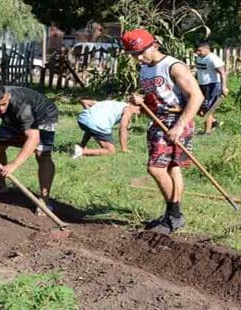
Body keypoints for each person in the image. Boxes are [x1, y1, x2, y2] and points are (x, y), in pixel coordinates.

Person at [121, 28, 204, 233]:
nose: (139, 58)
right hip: (158, 121)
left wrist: (180, 126)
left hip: (176, 120)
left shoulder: (173, 66)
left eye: (141, 52)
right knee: (172, 168)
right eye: (133, 55)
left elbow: (197, 96)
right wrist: (139, 102)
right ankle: (172, 216)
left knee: (156, 168)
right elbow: (155, 99)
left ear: (155, 45)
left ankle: (174, 216)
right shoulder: (145, 69)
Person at [0, 84, 59, 214]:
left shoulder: (21, 105)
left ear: (8, 96)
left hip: (43, 115)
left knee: (42, 154)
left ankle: (44, 200)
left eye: (4, 104)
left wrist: (14, 164)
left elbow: (33, 138)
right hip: (13, 117)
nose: (1, 109)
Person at [71, 99, 140, 159]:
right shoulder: (129, 109)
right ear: (133, 105)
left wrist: (91, 115)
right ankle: (80, 152)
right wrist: (124, 148)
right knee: (110, 151)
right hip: (98, 123)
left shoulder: (113, 103)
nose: (138, 112)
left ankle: (81, 146)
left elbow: (84, 101)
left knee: (92, 129)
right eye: (139, 109)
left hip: (83, 118)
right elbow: (123, 128)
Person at [194, 41, 229, 135]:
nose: (197, 52)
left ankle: (207, 132)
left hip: (213, 85)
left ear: (207, 49)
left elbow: (223, 73)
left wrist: (224, 87)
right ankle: (213, 122)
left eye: (200, 50)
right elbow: (200, 72)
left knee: (208, 109)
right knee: (197, 107)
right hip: (202, 85)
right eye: (197, 50)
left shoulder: (213, 59)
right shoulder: (199, 58)